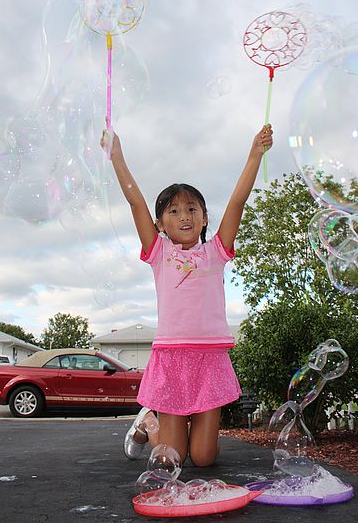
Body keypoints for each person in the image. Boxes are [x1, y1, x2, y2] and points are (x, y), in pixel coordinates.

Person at [101, 123, 273, 467]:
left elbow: (238, 200)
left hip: (209, 361)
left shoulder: (216, 252)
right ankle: (150, 422)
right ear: (160, 222)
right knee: (169, 461)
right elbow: (135, 200)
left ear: (205, 218)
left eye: (192, 209)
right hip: (172, 359)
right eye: (174, 211)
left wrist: (255, 153)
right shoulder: (159, 252)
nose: (184, 216)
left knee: (205, 459)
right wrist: (116, 156)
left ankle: (192, 435)